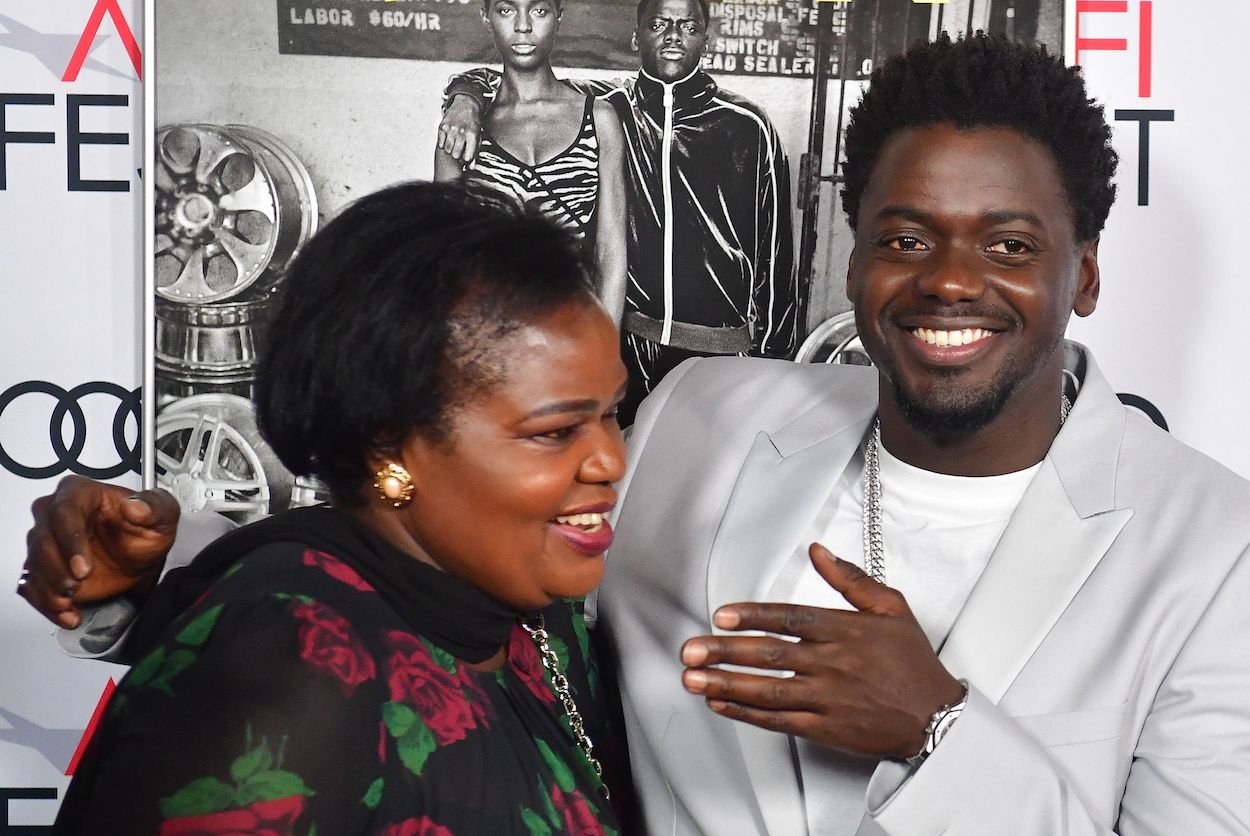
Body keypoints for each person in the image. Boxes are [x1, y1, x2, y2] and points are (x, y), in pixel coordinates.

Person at [20, 34, 1250, 835]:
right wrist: (156, 584)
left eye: (1011, 244)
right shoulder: (701, 417)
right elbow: (425, 570)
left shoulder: (1213, 548)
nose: (946, 280)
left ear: (1083, 272)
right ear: (854, 247)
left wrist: (934, 730)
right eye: (904, 234)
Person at [42, 182, 629, 834]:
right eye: (554, 431)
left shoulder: (538, 610)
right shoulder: (292, 673)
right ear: (390, 448)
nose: (611, 461)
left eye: (611, 415)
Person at [438, 0, 803, 426]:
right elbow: (524, 74)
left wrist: (776, 362)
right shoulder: (609, 106)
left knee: (707, 480)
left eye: (688, 26)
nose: (672, 36)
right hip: (631, 345)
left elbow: (776, 253)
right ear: (636, 37)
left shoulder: (747, 125)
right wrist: (463, 95)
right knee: (622, 477)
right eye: (659, 24)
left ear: (707, 38)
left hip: (719, 351)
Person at [435, 0, 629, 324]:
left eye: (539, 11)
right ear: (486, 17)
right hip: (487, 338)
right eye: (506, 10)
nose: (523, 26)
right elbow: (445, 254)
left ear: (559, 16)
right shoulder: (462, 129)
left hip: (571, 334)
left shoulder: (598, 118)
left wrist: (604, 352)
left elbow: (611, 252)